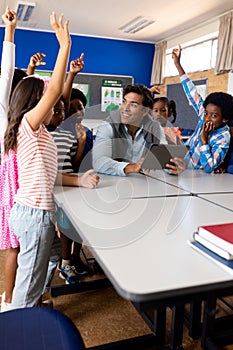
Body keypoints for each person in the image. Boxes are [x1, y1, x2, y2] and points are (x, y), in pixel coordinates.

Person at [4, 12, 99, 309]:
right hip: (33, 216)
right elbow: (56, 90)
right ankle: (20, 316)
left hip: (37, 214)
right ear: (35, 105)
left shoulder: (43, 134)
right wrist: (63, 46)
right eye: (49, 102)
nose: (57, 106)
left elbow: (51, 176)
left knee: (55, 256)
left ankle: (35, 300)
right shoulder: (27, 127)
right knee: (26, 283)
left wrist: (79, 179)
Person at [93, 84, 185, 176]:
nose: (125, 108)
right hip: (113, 182)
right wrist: (130, 167)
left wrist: (173, 166)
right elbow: (99, 162)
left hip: (143, 183)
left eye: (133, 105)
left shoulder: (154, 127)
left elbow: (163, 158)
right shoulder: (108, 125)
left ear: (144, 111)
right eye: (124, 102)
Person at [47, 97, 90, 284]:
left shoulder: (80, 134)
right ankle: (65, 262)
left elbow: (74, 164)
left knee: (77, 221)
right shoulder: (49, 132)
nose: (74, 113)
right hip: (56, 185)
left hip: (73, 183)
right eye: (69, 110)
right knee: (64, 224)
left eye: (79, 107)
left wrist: (81, 143)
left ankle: (72, 258)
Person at [172, 44, 233, 173]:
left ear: (225, 119)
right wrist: (178, 65)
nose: (207, 119)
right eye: (206, 113)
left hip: (196, 179)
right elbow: (191, 92)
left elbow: (209, 167)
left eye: (214, 115)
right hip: (180, 167)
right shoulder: (203, 116)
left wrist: (204, 139)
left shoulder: (223, 137)